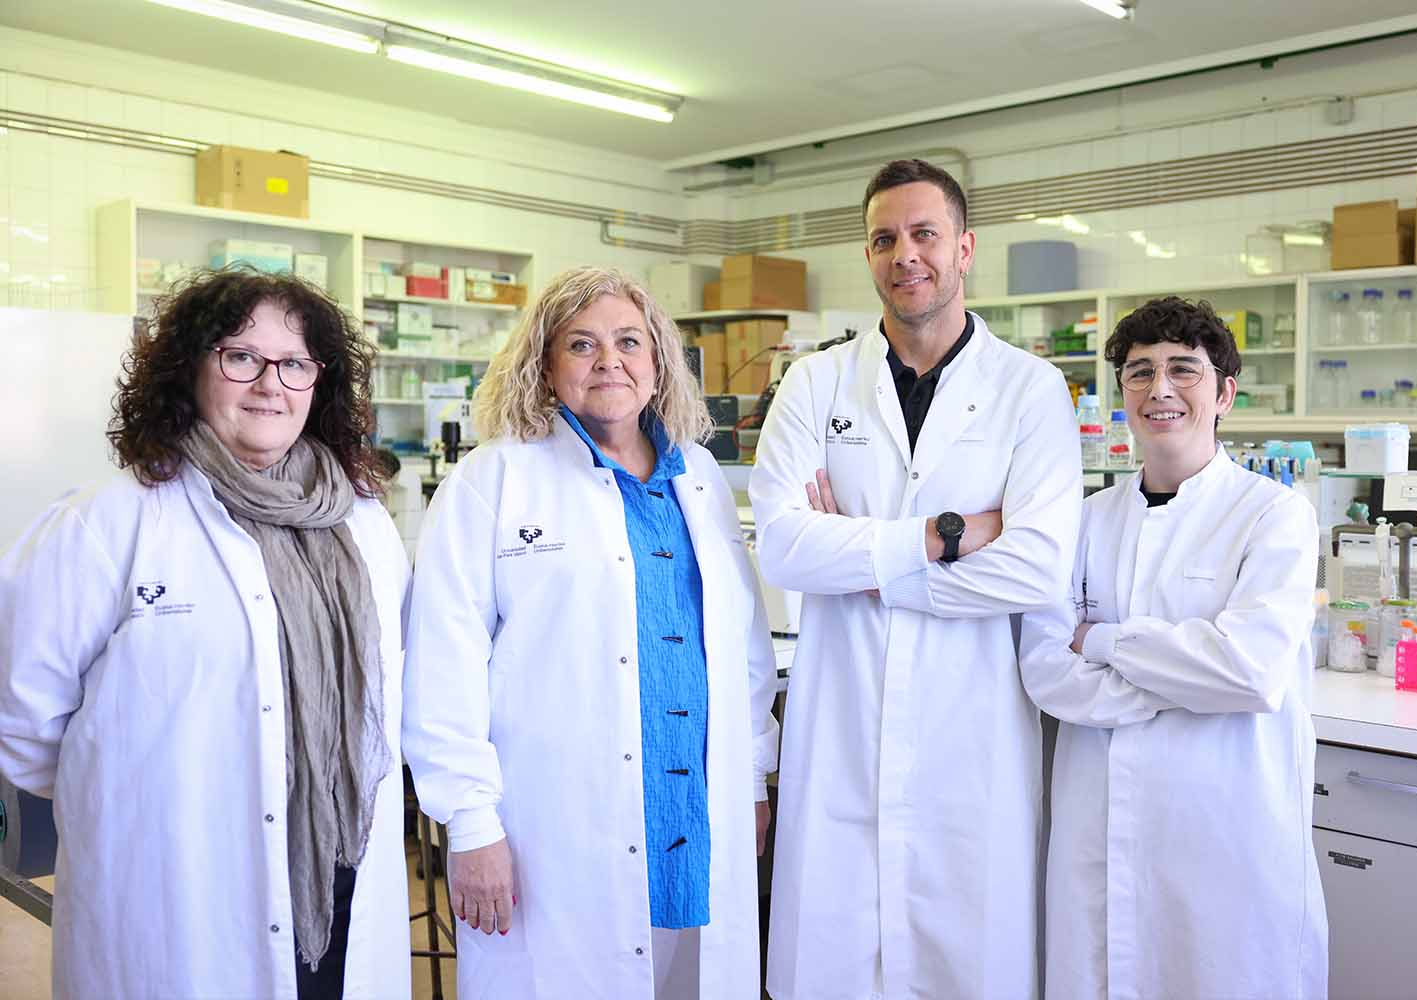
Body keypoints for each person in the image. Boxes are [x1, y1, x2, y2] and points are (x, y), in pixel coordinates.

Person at [0, 269, 411, 999]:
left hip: (338, 872)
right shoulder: (110, 520)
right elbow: (23, 713)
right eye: (240, 356)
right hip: (172, 884)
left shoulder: (365, 524)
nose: (269, 384)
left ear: (321, 382)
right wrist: (131, 804)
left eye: (294, 363)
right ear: (189, 369)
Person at [750, 158, 1083, 999]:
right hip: (843, 727)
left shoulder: (1030, 389)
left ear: (965, 247)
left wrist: (865, 566)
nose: (907, 255)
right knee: (833, 959)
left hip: (968, 736)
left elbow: (1038, 564)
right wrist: (949, 535)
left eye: (925, 233)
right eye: (884, 238)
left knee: (968, 960)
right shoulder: (815, 382)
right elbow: (785, 550)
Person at [401, 266, 780, 1000]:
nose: (610, 361)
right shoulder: (494, 480)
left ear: (658, 360)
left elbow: (743, 645)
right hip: (555, 824)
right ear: (544, 366)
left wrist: (755, 774)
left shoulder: (698, 477)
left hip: (694, 809)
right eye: (582, 344)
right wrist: (471, 823)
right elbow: (442, 665)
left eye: (629, 341)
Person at [1020, 296, 1328, 999]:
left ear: (1223, 394)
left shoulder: (1274, 516)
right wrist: (1185, 676)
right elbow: (1043, 668)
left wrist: (1100, 639)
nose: (1159, 389)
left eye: (1183, 370)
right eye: (1139, 372)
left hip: (1223, 833)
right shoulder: (1082, 522)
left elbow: (1247, 672)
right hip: (1099, 836)